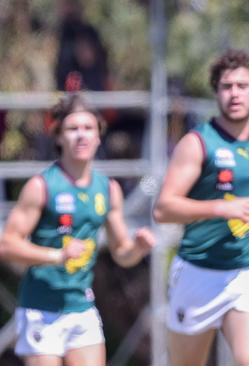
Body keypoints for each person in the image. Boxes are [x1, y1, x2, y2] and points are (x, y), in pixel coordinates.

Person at [0, 93, 155, 365]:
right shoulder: (42, 186)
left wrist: (138, 248)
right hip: (41, 309)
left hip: (81, 307)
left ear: (99, 135)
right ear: (58, 136)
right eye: (72, 128)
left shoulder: (108, 189)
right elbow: (7, 244)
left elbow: (122, 253)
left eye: (88, 128)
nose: (81, 136)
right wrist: (56, 256)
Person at [153, 49, 249, 366]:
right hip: (197, 272)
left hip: (247, 271)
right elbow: (164, 208)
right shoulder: (198, 143)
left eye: (242, 86)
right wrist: (222, 209)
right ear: (217, 92)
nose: (234, 93)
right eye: (226, 86)